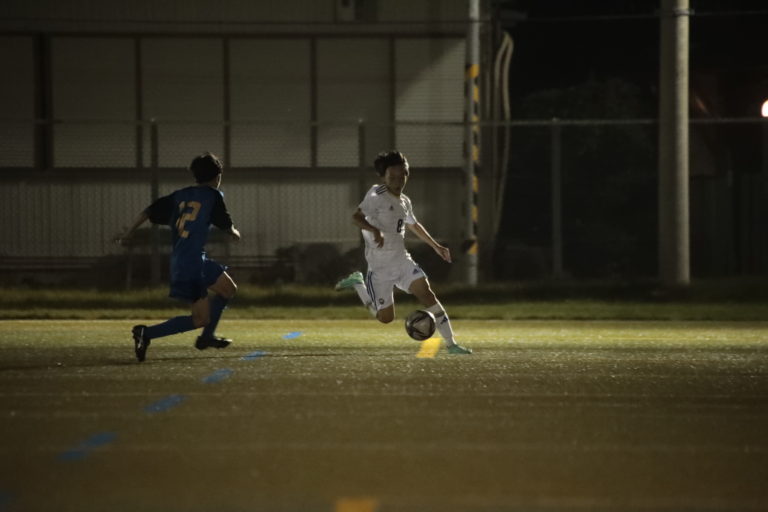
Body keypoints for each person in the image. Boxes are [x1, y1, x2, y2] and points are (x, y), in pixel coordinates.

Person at [335, 150, 472, 355]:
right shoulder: (376, 194)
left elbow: (414, 225)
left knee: (428, 295)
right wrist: (374, 230)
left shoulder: (405, 201)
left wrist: (436, 246)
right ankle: (358, 284)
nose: (398, 181)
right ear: (383, 177)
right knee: (385, 318)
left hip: (402, 262)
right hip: (380, 268)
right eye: (392, 176)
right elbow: (356, 218)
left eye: (403, 175)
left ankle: (452, 344)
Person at [115, 152, 241, 362]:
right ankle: (146, 333)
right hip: (189, 265)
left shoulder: (180, 195)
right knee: (200, 319)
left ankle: (207, 338)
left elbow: (148, 211)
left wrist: (129, 232)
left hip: (192, 259)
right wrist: (235, 233)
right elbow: (227, 226)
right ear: (218, 176)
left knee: (228, 289)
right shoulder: (213, 195)